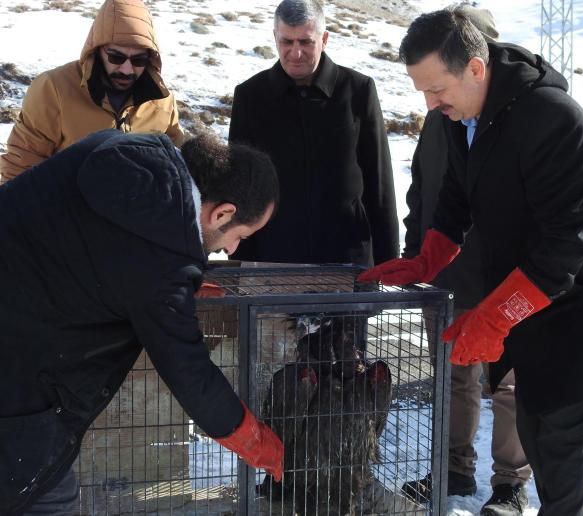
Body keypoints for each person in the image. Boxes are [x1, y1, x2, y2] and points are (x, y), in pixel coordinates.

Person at [359, 7, 583, 516]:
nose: (429, 102)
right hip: (533, 306)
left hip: (580, 314)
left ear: (475, 67)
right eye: (421, 90)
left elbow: (565, 245)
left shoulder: (553, 119)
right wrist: (428, 256)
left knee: (560, 457)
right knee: (536, 432)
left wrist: (494, 316)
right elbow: (454, 193)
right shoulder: (461, 113)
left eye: (435, 88)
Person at [0, 129, 283, 515]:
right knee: (46, 496)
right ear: (222, 213)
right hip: (17, 382)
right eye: (240, 236)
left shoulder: (126, 151)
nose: (231, 249)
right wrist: (250, 436)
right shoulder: (160, 263)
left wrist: (179, 284)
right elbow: (187, 368)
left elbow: (105, 256)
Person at [400, 8, 531, 515]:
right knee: (454, 378)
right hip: (446, 272)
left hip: (503, 277)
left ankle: (510, 483)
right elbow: (423, 190)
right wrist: (417, 254)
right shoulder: (442, 116)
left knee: (508, 383)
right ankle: (454, 470)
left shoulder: (520, 114)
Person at [228, 0, 399, 266]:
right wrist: (240, 262)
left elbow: (379, 183)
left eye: (305, 42)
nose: (296, 53)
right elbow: (239, 184)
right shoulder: (250, 96)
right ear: (275, 38)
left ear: (324, 38)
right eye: (287, 42)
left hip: (347, 258)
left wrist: (389, 261)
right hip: (274, 258)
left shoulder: (358, 90)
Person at [0, 0, 183, 183]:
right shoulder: (54, 88)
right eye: (116, 57)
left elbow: (180, 166)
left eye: (139, 60)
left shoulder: (162, 100)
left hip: (134, 209)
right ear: (96, 50)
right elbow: (22, 163)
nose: (127, 69)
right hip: (64, 208)